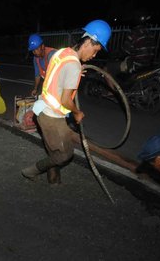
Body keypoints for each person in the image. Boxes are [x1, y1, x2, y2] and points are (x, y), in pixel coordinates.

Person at [21, 19, 112, 185]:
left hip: (42, 108)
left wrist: (77, 68)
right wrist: (77, 112)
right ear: (89, 42)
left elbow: (58, 70)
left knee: (53, 149)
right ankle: (31, 170)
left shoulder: (63, 52)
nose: (94, 55)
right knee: (65, 154)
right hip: (52, 117)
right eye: (96, 50)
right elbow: (65, 100)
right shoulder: (74, 66)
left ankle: (53, 179)